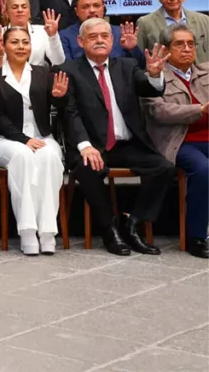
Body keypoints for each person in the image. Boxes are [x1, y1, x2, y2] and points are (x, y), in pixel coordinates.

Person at [61, 18, 172, 255]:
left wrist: (153, 75)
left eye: (105, 36)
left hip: (126, 144)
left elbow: (149, 88)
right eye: (93, 37)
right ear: (80, 41)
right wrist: (85, 146)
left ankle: (132, 224)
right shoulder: (69, 70)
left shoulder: (127, 65)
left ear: (112, 40)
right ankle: (109, 229)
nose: (100, 40)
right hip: (92, 145)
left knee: (163, 167)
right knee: (88, 169)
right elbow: (70, 113)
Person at [0, 27, 68, 256]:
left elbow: (59, 108)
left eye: (25, 42)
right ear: (4, 46)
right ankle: (28, 231)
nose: (21, 47)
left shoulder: (44, 73)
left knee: (50, 156)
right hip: (4, 140)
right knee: (22, 156)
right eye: (15, 42)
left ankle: (48, 232)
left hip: (42, 137)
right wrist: (23, 139)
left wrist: (60, 98)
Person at [142, 24, 208, 259]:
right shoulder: (154, 76)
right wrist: (199, 110)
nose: (187, 49)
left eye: (191, 44)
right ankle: (197, 237)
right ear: (166, 49)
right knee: (203, 169)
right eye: (180, 44)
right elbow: (159, 112)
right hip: (180, 142)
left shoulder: (206, 71)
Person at [60, 0, 144, 63]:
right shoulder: (65, 36)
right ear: (76, 11)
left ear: (103, 8)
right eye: (86, 7)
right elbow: (67, 70)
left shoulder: (120, 33)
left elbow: (140, 66)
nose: (92, 10)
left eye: (96, 6)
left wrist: (132, 49)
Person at [136, 0, 209, 63]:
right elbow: (139, 59)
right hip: (163, 75)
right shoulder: (145, 23)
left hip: (200, 75)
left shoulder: (204, 21)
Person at [0, 0, 65, 71]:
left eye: (24, 7)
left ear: (29, 12)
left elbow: (58, 61)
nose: (20, 10)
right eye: (15, 7)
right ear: (6, 13)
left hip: (38, 78)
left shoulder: (42, 31)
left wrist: (53, 37)